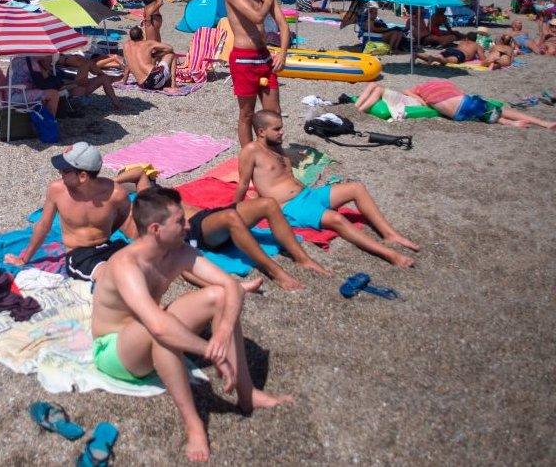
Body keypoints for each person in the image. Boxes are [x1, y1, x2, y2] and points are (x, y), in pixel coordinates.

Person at [91, 187, 292, 462]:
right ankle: (194, 424)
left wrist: (221, 333)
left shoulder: (179, 252)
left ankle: (248, 393)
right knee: (162, 329)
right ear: (155, 229)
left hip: (151, 327)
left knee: (219, 296)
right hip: (115, 350)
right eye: (179, 221)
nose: (189, 225)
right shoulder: (126, 264)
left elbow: (230, 286)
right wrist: (211, 350)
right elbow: (159, 326)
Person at [238, 110, 419, 267]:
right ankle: (389, 255)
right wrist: (234, 211)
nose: (282, 132)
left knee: (357, 187)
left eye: (281, 127)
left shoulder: (276, 145)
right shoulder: (251, 151)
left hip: (308, 194)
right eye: (277, 129)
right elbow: (243, 184)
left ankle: (390, 235)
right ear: (261, 132)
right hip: (291, 207)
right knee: (336, 218)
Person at [115, 169, 330, 292]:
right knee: (230, 217)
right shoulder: (132, 218)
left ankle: (302, 258)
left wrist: (116, 179)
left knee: (269, 204)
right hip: (197, 230)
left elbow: (139, 173)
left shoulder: (146, 195)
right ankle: (276, 272)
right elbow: (180, 265)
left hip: (210, 216)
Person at [4, 142, 131, 284]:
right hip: (79, 255)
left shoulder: (116, 194)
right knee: (110, 276)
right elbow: (44, 225)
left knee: (137, 267)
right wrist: (23, 259)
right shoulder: (57, 190)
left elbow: (124, 217)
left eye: (64, 170)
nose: (60, 173)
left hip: (108, 246)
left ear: (83, 176)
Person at [222, 0, 291, 146]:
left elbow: (283, 26)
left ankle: (270, 153)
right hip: (243, 59)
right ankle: (249, 156)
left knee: (274, 113)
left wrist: (283, 53)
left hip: (264, 58)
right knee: (247, 113)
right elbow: (257, 17)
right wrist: (268, 1)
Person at [354, 79, 556, 130]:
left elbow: (409, 93)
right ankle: (543, 123)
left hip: (457, 114)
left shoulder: (423, 90)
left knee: (488, 113)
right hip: (463, 104)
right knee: (502, 110)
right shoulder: (446, 86)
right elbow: (462, 95)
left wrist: (423, 100)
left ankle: (511, 124)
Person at [31, 55, 122, 109]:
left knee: (104, 77)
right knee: (87, 63)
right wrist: (74, 83)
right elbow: (56, 89)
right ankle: (110, 78)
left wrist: (72, 82)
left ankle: (116, 103)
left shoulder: (50, 70)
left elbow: (60, 83)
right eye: (48, 59)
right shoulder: (41, 74)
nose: (50, 60)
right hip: (73, 96)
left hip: (78, 88)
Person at [120, 26, 179, 94]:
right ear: (142, 35)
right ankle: (173, 86)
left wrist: (124, 82)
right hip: (154, 78)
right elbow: (170, 48)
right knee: (172, 54)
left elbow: (128, 65)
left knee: (156, 64)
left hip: (144, 85)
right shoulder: (148, 43)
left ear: (130, 37)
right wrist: (157, 54)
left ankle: (165, 83)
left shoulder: (126, 45)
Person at [415, 32, 484, 65]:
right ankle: (435, 59)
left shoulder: (462, 42)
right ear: (475, 40)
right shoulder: (476, 45)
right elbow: (483, 58)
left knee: (436, 57)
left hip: (451, 49)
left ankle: (418, 55)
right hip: (461, 54)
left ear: (466, 38)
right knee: (447, 60)